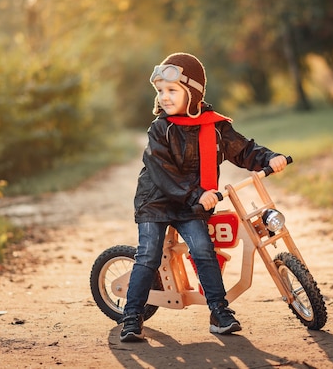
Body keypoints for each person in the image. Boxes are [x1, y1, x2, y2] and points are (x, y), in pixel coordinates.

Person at [120, 52, 287, 342]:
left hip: (193, 202)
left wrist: (270, 158)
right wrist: (198, 194)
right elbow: (163, 174)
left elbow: (243, 150)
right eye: (161, 91)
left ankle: (219, 312)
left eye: (172, 90)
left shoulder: (214, 126)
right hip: (157, 201)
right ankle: (132, 317)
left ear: (193, 94)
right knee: (148, 253)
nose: (165, 97)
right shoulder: (160, 129)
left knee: (202, 249)